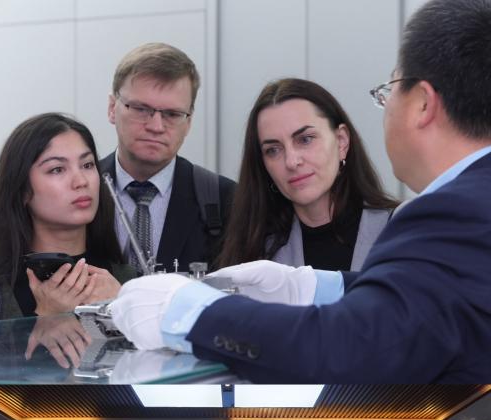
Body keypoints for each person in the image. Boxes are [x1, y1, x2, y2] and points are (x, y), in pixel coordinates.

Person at [111, 0, 491, 382]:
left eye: (389, 91)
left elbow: (351, 345)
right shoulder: (471, 206)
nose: (292, 161)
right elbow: (416, 305)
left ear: (422, 103)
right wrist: (315, 286)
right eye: (272, 149)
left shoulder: (450, 214)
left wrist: (190, 311)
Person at [216, 78, 397, 272]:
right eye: (273, 150)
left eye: (305, 139)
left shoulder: (399, 230)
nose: (291, 161)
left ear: (341, 141)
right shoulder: (252, 252)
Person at [102, 43, 235, 274]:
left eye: (172, 114)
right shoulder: (80, 191)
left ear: (189, 122)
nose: (156, 126)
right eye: (141, 109)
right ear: (113, 108)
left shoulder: (227, 201)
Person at [0, 113, 124, 319]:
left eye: (87, 165)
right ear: (22, 190)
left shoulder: (125, 281)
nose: (81, 181)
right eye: (57, 169)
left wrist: (124, 308)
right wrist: (47, 317)